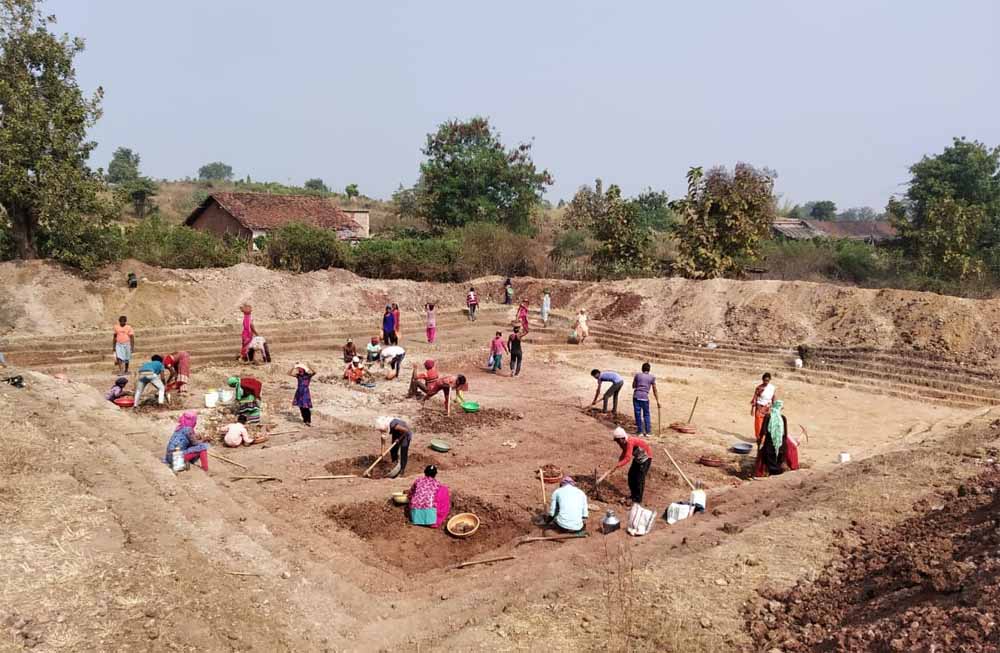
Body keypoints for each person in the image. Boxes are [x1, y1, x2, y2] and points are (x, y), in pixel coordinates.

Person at [754, 400, 799, 478]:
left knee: (768, 460)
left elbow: (763, 432)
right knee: (778, 462)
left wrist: (760, 442)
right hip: (781, 445)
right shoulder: (783, 418)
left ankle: (771, 475)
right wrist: (784, 445)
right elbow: (785, 434)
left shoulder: (768, 417)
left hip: (769, 445)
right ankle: (778, 476)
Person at [609, 427, 653, 504]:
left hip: (646, 458)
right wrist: (617, 463)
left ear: (623, 438)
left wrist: (618, 465)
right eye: (616, 441)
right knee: (631, 476)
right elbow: (624, 452)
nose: (618, 443)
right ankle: (633, 496)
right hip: (638, 458)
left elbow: (628, 458)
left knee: (639, 479)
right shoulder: (623, 443)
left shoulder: (630, 442)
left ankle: (637, 500)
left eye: (618, 440)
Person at [632, 363, 660, 436]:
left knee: (637, 414)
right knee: (646, 414)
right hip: (645, 397)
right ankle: (648, 432)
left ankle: (640, 431)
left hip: (636, 396)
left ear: (642, 369)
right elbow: (655, 390)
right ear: (649, 370)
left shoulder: (637, 375)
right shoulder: (652, 377)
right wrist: (657, 401)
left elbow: (633, 386)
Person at [751, 373, 777, 444]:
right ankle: (759, 438)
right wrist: (752, 409)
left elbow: (773, 397)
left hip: (768, 408)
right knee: (758, 424)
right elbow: (755, 398)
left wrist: (775, 406)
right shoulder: (759, 388)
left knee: (767, 424)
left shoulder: (772, 388)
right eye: (765, 380)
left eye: (767, 380)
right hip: (759, 407)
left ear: (770, 380)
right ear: (762, 380)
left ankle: (764, 439)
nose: (766, 382)